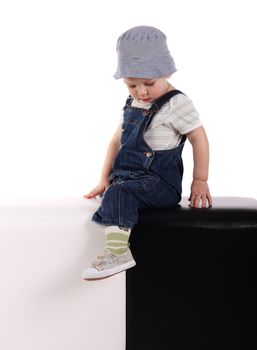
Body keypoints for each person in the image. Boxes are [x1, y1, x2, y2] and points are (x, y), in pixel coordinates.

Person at [82, 25, 212, 280]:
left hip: (160, 183)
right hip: (131, 179)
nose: (141, 92)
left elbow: (199, 138)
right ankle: (118, 224)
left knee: (120, 192)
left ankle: (118, 251)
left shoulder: (177, 103)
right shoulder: (133, 103)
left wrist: (200, 179)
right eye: (132, 85)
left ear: (167, 72)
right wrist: (103, 178)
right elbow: (115, 142)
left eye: (149, 83)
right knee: (114, 191)